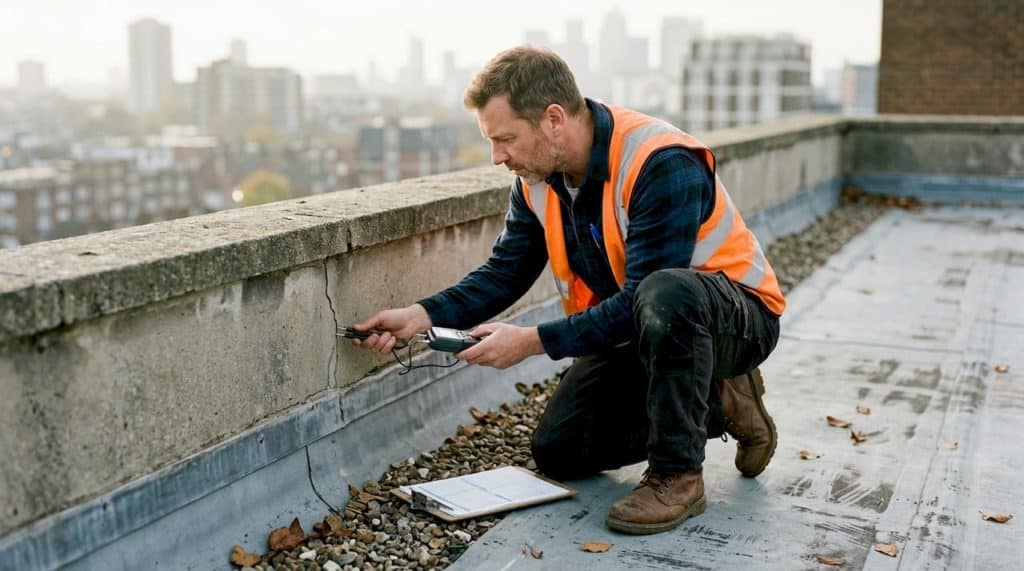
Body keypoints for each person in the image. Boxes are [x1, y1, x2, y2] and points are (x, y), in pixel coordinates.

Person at [352, 46, 784, 535]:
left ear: (554, 119)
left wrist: (532, 341)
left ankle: (678, 475)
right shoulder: (538, 179)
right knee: (559, 450)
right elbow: (505, 272)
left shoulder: (659, 162)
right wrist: (421, 314)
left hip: (735, 321)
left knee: (666, 293)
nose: (498, 157)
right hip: (644, 332)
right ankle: (718, 398)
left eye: (506, 139)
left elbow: (647, 297)